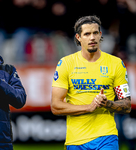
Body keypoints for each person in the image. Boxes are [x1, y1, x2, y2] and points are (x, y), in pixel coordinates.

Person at [51, 15, 131, 150]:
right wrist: (89, 107)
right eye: (87, 34)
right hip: (76, 140)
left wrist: (107, 103)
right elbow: (56, 106)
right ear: (78, 38)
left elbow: (127, 105)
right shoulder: (65, 64)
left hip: (107, 137)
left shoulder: (116, 64)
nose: (92, 38)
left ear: (100, 35)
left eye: (95, 33)